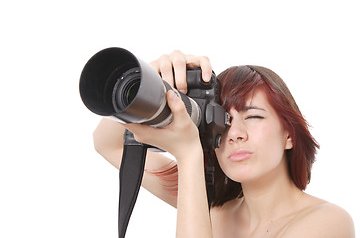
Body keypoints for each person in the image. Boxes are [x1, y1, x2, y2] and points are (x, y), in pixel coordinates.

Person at [93, 50, 355, 237]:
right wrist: (151, 80)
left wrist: (188, 153)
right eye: (223, 121)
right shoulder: (211, 206)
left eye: (253, 116)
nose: (235, 133)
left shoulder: (328, 222)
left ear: (289, 135)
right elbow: (107, 143)